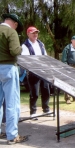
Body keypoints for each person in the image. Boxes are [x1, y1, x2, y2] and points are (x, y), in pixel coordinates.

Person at [0, 13, 28, 144]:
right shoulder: (11, 32)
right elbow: (14, 51)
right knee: (12, 103)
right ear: (15, 24)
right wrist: (22, 47)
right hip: (8, 68)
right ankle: (12, 136)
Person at [21, 26, 51, 120]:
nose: (35, 35)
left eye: (36, 33)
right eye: (33, 33)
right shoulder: (25, 45)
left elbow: (45, 56)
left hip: (43, 71)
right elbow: (26, 60)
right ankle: (33, 112)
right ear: (28, 34)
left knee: (46, 90)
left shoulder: (41, 44)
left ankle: (46, 110)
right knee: (34, 93)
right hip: (33, 72)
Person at [62, 35, 75, 104]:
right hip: (70, 67)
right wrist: (66, 68)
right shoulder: (67, 48)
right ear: (72, 41)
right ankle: (67, 98)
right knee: (68, 82)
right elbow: (64, 60)